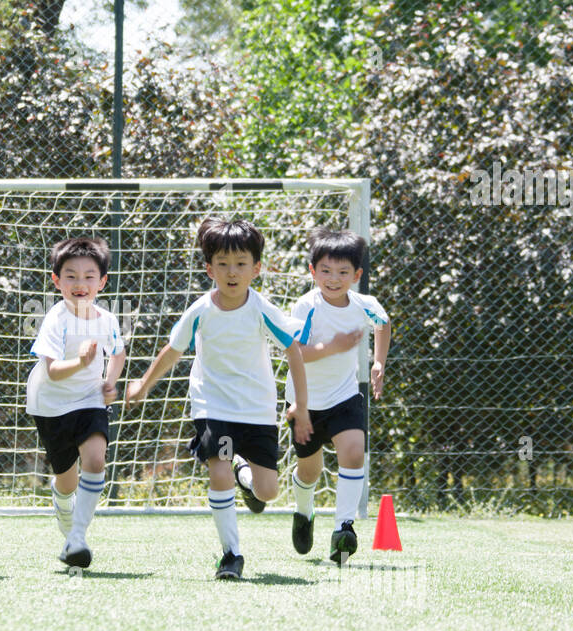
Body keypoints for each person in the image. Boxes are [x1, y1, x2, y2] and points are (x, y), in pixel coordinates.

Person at [127, 217, 312, 580]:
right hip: (214, 407)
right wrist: (144, 384)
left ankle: (246, 475)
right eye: (223, 264)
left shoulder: (261, 309)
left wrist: (301, 407)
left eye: (241, 264)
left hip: (257, 410)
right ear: (209, 267)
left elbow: (293, 351)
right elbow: (173, 350)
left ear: (256, 269)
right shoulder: (200, 310)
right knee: (219, 470)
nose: (232, 272)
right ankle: (232, 555)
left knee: (268, 491)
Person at [285, 227, 391, 565]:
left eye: (343, 272)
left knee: (354, 452)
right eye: (326, 271)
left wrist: (378, 362)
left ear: (356, 275)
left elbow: (383, 323)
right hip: (305, 403)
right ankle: (304, 512)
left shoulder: (364, 304)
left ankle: (344, 528)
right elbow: (295, 352)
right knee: (310, 471)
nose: (334, 279)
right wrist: (333, 347)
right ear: (313, 271)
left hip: (345, 396)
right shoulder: (305, 306)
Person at [25, 236, 126, 569]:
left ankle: (78, 538)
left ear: (102, 281)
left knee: (96, 462)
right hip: (51, 406)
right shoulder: (56, 318)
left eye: (88, 276)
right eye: (70, 276)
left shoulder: (108, 320)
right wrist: (82, 363)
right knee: (66, 482)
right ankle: (62, 501)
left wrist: (109, 382)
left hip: (90, 401)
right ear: (56, 280)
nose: (80, 283)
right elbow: (52, 371)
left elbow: (118, 352)